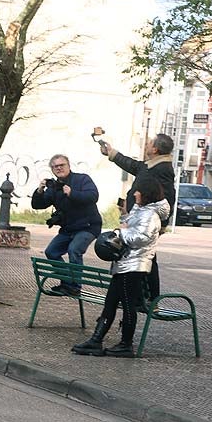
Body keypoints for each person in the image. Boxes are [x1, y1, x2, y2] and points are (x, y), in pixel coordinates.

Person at [72, 179, 170, 357]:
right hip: (125, 262)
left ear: (147, 193)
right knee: (110, 302)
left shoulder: (150, 214)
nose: (134, 194)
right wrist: (124, 218)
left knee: (127, 304)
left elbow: (142, 237)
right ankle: (96, 340)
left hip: (134, 265)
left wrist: (121, 232)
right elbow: (133, 228)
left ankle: (126, 344)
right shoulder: (141, 210)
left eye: (138, 191)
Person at [100, 133, 176, 300]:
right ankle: (137, 296)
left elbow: (169, 197)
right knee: (138, 256)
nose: (147, 144)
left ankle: (150, 298)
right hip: (136, 218)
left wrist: (163, 224)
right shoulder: (151, 166)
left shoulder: (162, 169)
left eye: (149, 143)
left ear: (155, 149)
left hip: (146, 222)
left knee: (147, 258)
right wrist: (112, 153)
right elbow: (133, 165)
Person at [31, 154, 101, 295]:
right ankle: (67, 283)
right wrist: (39, 191)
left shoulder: (82, 179)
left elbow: (93, 196)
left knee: (74, 250)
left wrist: (72, 193)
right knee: (51, 252)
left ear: (69, 166)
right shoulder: (54, 187)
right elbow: (38, 205)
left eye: (61, 165)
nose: (59, 168)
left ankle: (75, 287)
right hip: (68, 229)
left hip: (88, 226)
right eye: (55, 166)